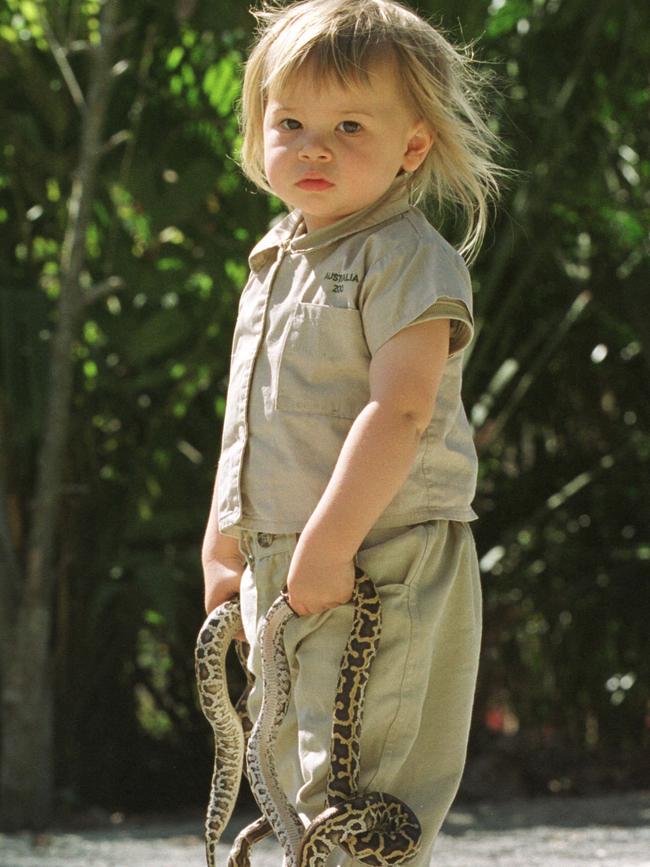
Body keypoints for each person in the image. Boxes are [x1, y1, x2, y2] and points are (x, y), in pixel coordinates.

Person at [201, 0, 509, 863]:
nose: (314, 146)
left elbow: (402, 410)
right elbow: (248, 418)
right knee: (296, 776)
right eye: (290, 122)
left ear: (412, 146)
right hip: (288, 560)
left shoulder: (407, 256)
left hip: (385, 561)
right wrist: (226, 539)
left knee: (366, 794)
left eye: (347, 125)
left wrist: (331, 543)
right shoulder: (274, 259)